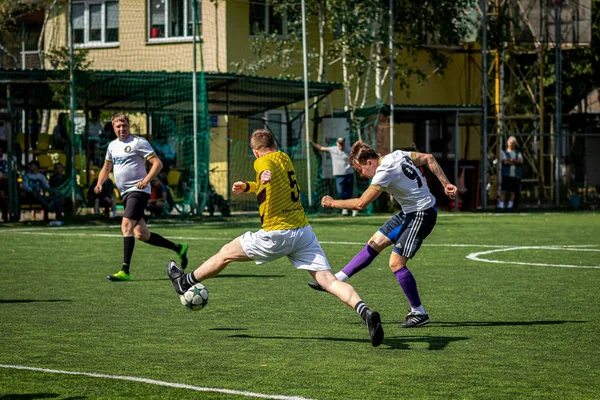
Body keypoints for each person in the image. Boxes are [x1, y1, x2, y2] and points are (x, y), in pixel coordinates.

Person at [167, 129, 384, 347]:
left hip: (276, 234)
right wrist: (249, 186)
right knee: (329, 281)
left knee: (225, 254)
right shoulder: (284, 158)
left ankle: (184, 281)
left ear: (255, 151)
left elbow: (265, 173)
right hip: (302, 232)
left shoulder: (261, 163)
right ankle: (365, 312)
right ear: (274, 144)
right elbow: (271, 183)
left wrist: (261, 177)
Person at [308, 140, 457, 329]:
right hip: (408, 211)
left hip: (421, 213)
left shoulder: (383, 171)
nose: (362, 175)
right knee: (375, 241)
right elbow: (428, 158)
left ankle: (419, 312)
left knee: (396, 263)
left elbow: (361, 204)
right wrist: (446, 184)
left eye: (360, 170)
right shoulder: (398, 154)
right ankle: (334, 281)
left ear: (369, 162)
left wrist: (332, 203)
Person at [94, 113, 189, 281]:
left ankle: (125, 271)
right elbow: (106, 167)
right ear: (113, 128)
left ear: (129, 126)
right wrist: (100, 182)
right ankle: (178, 248)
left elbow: (157, 164)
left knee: (126, 226)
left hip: (138, 191)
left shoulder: (138, 142)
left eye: (124, 126)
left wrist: (146, 181)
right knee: (141, 234)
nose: (121, 129)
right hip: (125, 193)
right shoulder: (112, 146)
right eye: (118, 126)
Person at [310, 136, 357, 216]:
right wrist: (312, 143)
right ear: (337, 143)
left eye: (342, 144)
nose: (341, 145)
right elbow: (321, 148)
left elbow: (358, 152)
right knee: (341, 192)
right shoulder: (333, 149)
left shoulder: (349, 149)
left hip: (349, 173)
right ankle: (345, 208)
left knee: (350, 193)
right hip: (339, 175)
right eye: (339, 144)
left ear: (344, 143)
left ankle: (353, 209)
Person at [497, 136, 523, 212]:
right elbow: (505, 162)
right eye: (511, 143)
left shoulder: (518, 153)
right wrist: (515, 161)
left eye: (513, 143)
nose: (512, 145)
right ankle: (501, 207)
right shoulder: (504, 152)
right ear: (508, 143)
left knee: (513, 191)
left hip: (515, 175)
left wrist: (511, 160)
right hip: (506, 175)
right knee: (503, 191)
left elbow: (521, 161)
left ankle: (510, 207)